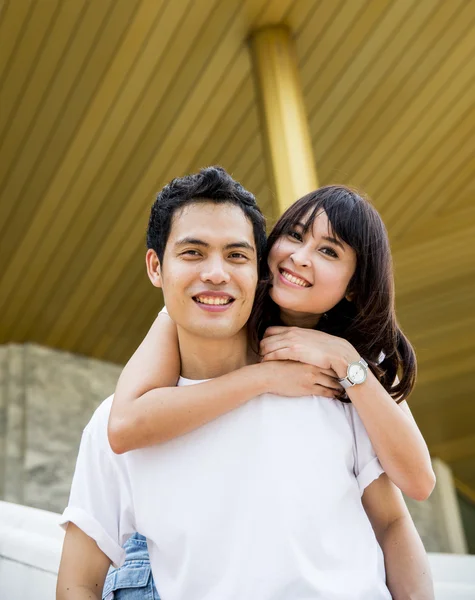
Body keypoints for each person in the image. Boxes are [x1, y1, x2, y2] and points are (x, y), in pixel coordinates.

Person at [57, 167, 433, 600]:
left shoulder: (343, 383)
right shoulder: (126, 413)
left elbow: (407, 500)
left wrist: (346, 362)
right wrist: (265, 377)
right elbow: (123, 427)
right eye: (193, 253)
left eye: (329, 251)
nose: (301, 258)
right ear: (156, 267)